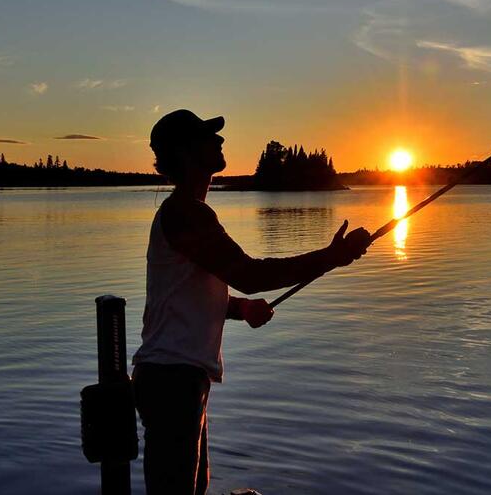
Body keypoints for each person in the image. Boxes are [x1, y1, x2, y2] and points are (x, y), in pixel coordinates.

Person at [132, 109, 371, 495]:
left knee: (194, 487)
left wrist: (240, 309)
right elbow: (249, 274)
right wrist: (331, 257)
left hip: (178, 377)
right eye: (209, 137)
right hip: (171, 381)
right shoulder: (184, 213)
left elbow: (185, 293)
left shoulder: (189, 213)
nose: (221, 141)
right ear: (187, 152)